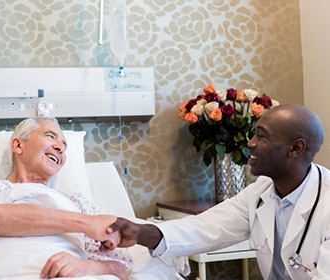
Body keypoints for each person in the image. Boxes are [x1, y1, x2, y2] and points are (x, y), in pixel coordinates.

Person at [104, 104, 330, 279]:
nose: (250, 143)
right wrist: (140, 233)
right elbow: (206, 228)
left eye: (261, 136)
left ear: (296, 148)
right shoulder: (260, 193)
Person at [0, 116, 130, 279]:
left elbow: (122, 265)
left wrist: (88, 267)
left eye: (64, 145)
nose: (60, 148)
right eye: (50, 136)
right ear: (18, 145)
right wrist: (86, 224)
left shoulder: (77, 202)